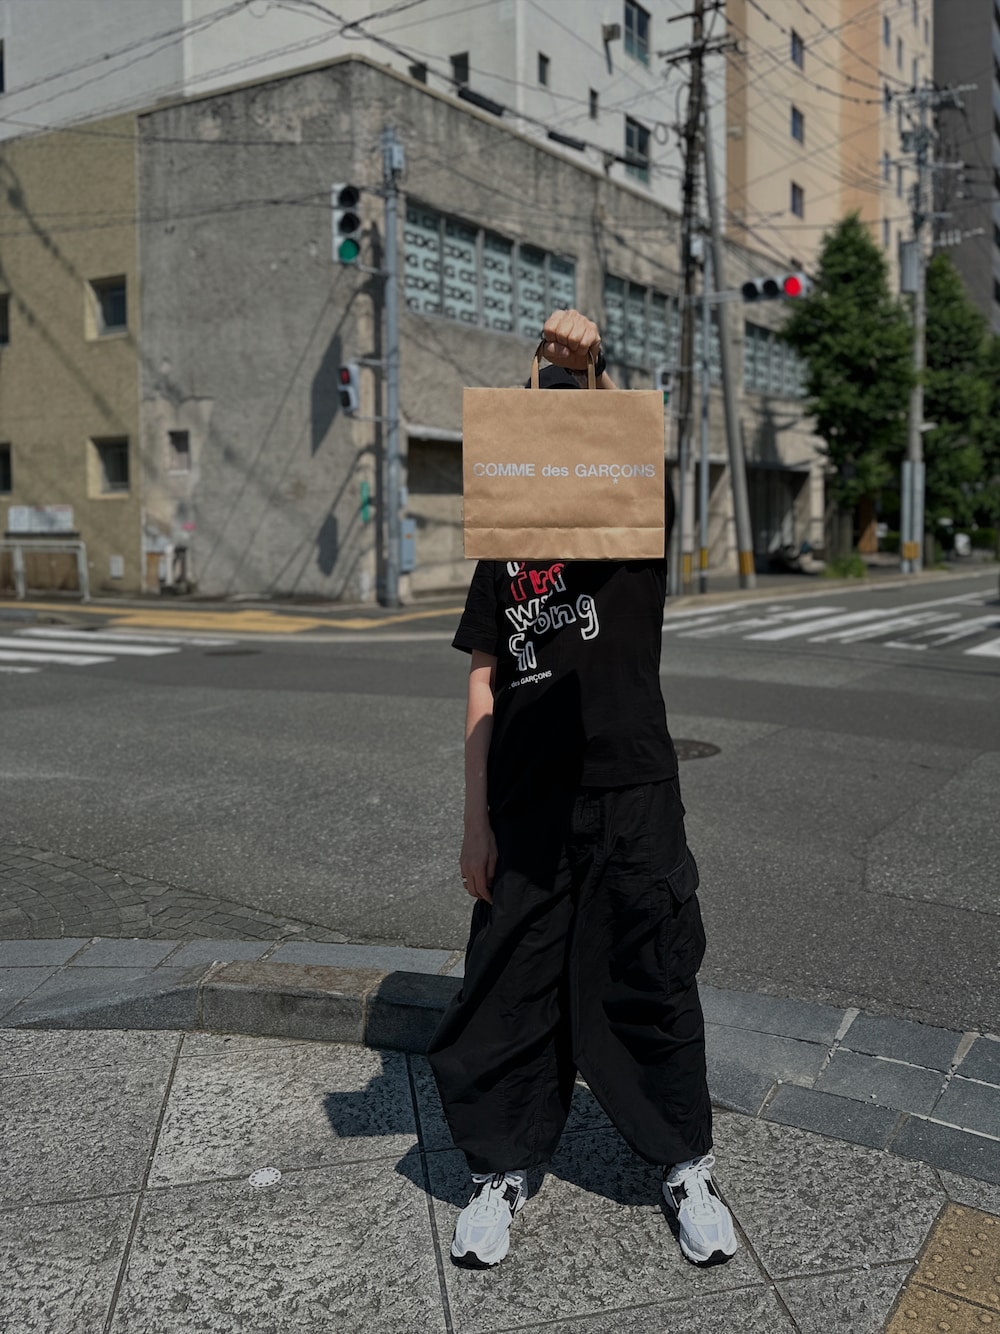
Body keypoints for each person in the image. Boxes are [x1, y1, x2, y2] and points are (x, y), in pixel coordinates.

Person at [426, 308, 737, 1272]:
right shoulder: (504, 545)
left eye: (570, 424)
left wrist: (588, 367)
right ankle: (501, 1169)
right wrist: (474, 822)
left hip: (632, 783)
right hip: (525, 799)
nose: (553, 438)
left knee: (649, 973)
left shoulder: (632, 523)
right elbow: (483, 673)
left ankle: (685, 1163)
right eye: (538, 420)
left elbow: (612, 435)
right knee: (511, 984)